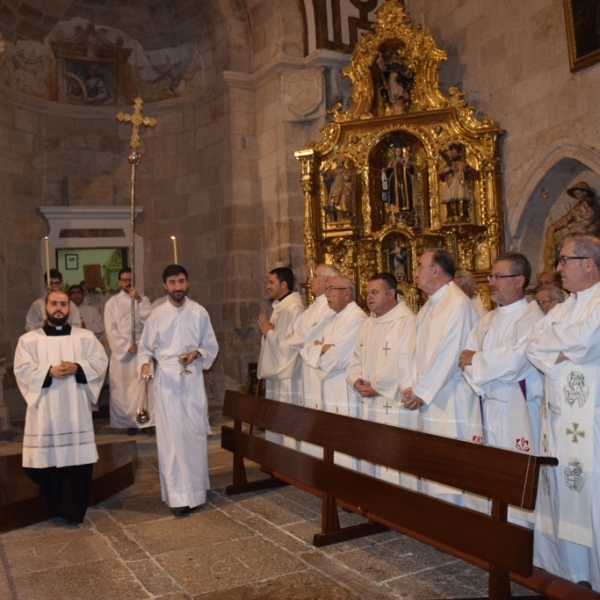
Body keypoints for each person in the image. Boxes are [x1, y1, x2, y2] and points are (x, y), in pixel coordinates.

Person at [525, 234, 600, 590]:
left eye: (564, 260)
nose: (557, 269)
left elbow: (585, 342)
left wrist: (558, 349)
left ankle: (592, 572)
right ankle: (567, 569)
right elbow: (534, 342)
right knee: (559, 491)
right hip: (558, 416)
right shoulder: (568, 304)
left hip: (590, 420)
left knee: (589, 497)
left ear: (588, 263)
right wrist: (560, 355)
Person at [13, 290, 108, 525]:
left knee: (77, 464)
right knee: (50, 462)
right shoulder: (29, 340)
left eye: (63, 304)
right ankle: (54, 506)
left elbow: (100, 361)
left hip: (75, 411)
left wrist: (78, 366)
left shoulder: (85, 337)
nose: (59, 308)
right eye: (54, 303)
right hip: (45, 412)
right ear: (45, 308)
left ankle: (75, 510)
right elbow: (22, 369)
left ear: (70, 309)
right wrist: (48, 371)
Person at [138, 264, 218, 517]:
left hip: (192, 378)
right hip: (167, 381)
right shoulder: (157, 314)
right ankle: (177, 497)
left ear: (188, 283)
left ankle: (196, 491)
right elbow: (145, 350)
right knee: (172, 439)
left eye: (181, 281)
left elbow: (211, 345)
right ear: (165, 285)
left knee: (193, 435)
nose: (178, 287)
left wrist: (197, 353)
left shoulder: (199, 312)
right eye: (172, 283)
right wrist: (144, 367)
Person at [403, 248, 478, 503]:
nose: (416, 272)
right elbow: (412, 350)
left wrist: (422, 392)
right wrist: (409, 384)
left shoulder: (457, 304)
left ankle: (454, 521)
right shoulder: (429, 306)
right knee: (432, 459)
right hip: (428, 395)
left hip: (448, 397)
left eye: (420, 266)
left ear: (436, 270)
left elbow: (451, 354)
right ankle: (435, 517)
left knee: (449, 461)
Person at [459, 253, 544, 473]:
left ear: (519, 281)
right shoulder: (486, 320)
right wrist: (482, 362)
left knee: (517, 478)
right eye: (491, 276)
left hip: (519, 410)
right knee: (488, 474)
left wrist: (477, 359)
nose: (491, 283)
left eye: (498, 277)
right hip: (487, 408)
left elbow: (516, 363)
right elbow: (463, 360)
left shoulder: (532, 318)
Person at [346, 273, 417, 488]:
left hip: (393, 403)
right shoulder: (368, 324)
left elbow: (403, 360)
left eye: (374, 292)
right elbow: (355, 357)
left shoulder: (406, 322)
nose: (369, 297)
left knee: (395, 458)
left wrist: (376, 386)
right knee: (373, 454)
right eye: (367, 293)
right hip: (370, 402)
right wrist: (356, 379)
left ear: (391, 293)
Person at [300, 275, 366, 469]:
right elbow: (307, 348)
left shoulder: (357, 318)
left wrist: (321, 350)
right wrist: (321, 348)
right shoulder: (333, 319)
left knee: (346, 440)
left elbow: (335, 358)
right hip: (329, 386)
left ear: (346, 293)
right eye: (326, 289)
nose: (326, 294)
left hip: (344, 388)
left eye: (331, 289)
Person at [286, 264, 339, 455]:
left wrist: (308, 343)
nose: (310, 280)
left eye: (315, 276)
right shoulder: (314, 306)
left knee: (319, 414)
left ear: (327, 280)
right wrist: (311, 344)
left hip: (320, 370)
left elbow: (304, 335)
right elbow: (296, 334)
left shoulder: (329, 306)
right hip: (308, 366)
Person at [257, 267, 305, 445]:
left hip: (289, 377)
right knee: (276, 424)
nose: (267, 286)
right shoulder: (279, 307)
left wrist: (270, 334)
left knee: (288, 426)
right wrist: (269, 334)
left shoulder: (295, 309)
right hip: (278, 375)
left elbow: (294, 346)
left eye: (271, 282)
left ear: (283, 284)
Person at [104, 267, 154, 435]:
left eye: (130, 280)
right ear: (119, 282)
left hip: (141, 350)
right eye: (124, 280)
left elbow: (150, 321)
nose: (127, 283)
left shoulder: (143, 300)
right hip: (124, 353)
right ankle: (131, 423)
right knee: (125, 390)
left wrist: (139, 300)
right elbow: (110, 329)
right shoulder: (112, 303)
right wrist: (126, 346)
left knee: (144, 386)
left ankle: (145, 422)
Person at [438, 144, 473, 223]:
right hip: (450, 185)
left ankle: (462, 216)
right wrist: (450, 168)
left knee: (461, 198)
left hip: (460, 184)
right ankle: (451, 217)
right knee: (451, 200)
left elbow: (468, 172)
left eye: (455, 153)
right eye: (452, 153)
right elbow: (440, 172)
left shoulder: (462, 163)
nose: (453, 155)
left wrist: (466, 167)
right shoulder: (447, 164)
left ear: (458, 153)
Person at [382, 145, 413, 212]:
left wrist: (408, 163)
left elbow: (411, 170)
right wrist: (384, 171)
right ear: (394, 152)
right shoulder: (392, 162)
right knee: (395, 196)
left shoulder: (404, 161)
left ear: (401, 152)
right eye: (396, 151)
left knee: (405, 195)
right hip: (394, 182)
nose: (398, 152)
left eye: (399, 151)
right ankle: (395, 209)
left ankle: (407, 209)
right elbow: (387, 172)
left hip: (404, 182)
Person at [324, 155, 355, 221]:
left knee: (344, 201)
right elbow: (327, 179)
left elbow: (349, 179)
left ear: (343, 162)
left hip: (345, 188)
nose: (339, 163)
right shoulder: (333, 171)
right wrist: (325, 175)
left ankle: (346, 216)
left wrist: (343, 175)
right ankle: (338, 218)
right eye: (338, 161)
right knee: (335, 203)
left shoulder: (347, 171)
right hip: (336, 188)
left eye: (341, 161)